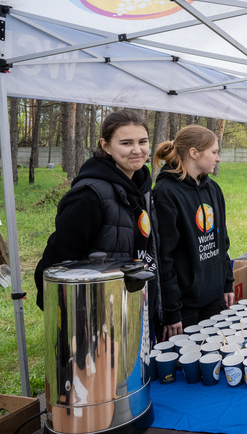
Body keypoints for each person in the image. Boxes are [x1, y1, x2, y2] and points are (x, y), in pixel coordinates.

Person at [34, 110, 160, 323]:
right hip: (95, 315)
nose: (137, 150)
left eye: (143, 141)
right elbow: (59, 262)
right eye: (126, 143)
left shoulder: (143, 189)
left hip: (132, 307)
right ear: (106, 145)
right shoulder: (89, 196)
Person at [153, 125, 234, 338]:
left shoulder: (213, 189)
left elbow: (221, 243)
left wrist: (227, 283)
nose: (218, 159)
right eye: (214, 152)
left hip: (215, 298)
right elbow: (165, 257)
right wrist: (172, 310)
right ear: (194, 152)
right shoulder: (166, 192)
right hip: (184, 306)